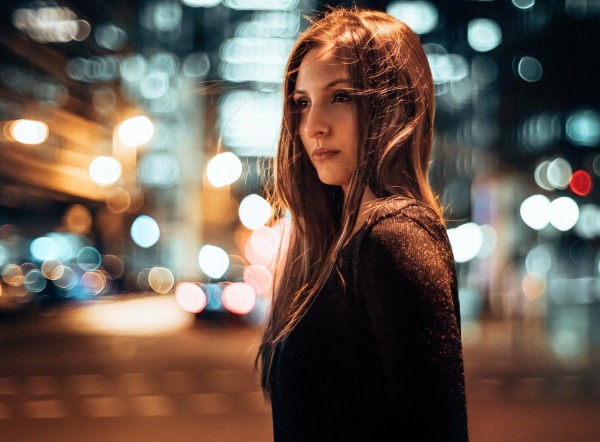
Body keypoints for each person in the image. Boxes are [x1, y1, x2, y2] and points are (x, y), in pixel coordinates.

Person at [256, 6, 469, 441]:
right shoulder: (330, 243)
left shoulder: (394, 237)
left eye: (341, 96)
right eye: (302, 102)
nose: (313, 126)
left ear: (393, 104)